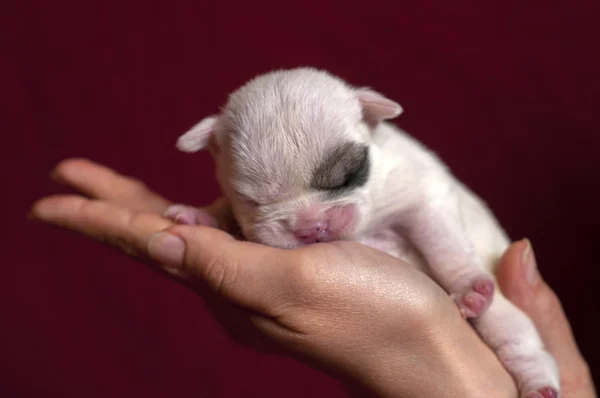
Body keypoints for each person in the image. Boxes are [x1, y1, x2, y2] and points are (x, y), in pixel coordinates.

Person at [28, 158, 596, 397]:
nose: (310, 225)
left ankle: (531, 371)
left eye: (334, 183)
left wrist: (453, 286)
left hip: (472, 271)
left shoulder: (400, 169)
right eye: (259, 196)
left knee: (510, 326)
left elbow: (428, 204)